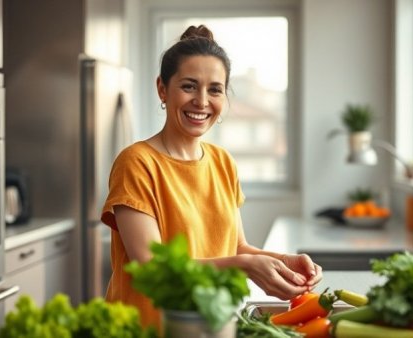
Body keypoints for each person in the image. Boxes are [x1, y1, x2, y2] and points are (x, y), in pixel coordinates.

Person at [101, 24, 323, 328]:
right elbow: (151, 267)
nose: (202, 101)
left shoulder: (222, 162)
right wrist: (244, 265)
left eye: (215, 89)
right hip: (147, 330)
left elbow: (236, 247)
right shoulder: (137, 163)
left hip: (208, 326)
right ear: (162, 89)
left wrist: (283, 262)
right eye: (189, 86)